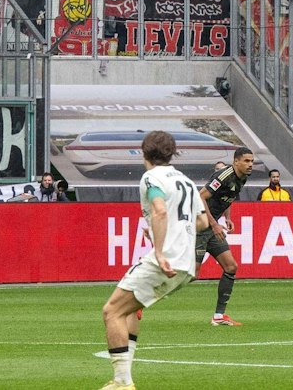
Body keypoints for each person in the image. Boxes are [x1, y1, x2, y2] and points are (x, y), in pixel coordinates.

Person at [98, 129, 203, 390]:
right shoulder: (186, 181)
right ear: (172, 152)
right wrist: (160, 229)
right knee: (129, 309)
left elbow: (159, 210)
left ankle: (122, 382)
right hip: (185, 264)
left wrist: (159, 249)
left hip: (165, 260)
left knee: (112, 311)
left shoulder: (151, 177)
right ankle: (123, 380)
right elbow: (200, 221)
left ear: (143, 152)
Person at [199, 148, 255, 326]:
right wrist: (214, 224)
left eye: (252, 161)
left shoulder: (243, 177)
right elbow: (200, 197)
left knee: (231, 266)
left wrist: (227, 217)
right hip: (198, 225)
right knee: (188, 274)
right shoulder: (223, 176)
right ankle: (139, 299)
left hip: (213, 226)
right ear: (236, 161)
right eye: (246, 161)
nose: (250, 165)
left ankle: (219, 316)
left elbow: (228, 197)